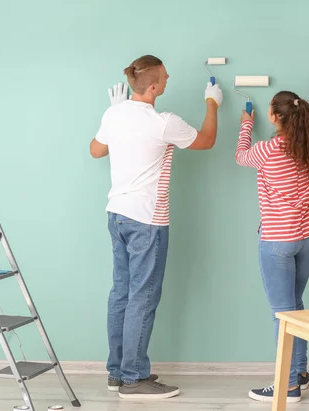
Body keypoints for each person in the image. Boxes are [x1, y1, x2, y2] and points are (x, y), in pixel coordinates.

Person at [90, 54, 224, 399]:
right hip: (147, 219)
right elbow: (206, 140)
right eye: (164, 78)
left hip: (116, 214)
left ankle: (117, 373)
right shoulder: (163, 122)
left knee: (121, 293)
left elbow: (96, 150)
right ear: (152, 87)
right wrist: (212, 104)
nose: (168, 80)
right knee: (142, 297)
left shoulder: (114, 113)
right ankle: (135, 378)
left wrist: (116, 116)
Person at [234, 56, 309, 403]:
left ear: (275, 117)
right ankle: (300, 372)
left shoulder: (266, 150)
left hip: (276, 243)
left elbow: (240, 156)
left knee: (282, 315)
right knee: (294, 307)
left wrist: (246, 125)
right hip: (307, 240)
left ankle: (289, 386)